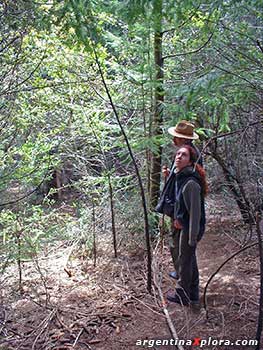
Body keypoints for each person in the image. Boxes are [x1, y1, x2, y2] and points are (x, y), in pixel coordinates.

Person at [166, 145, 207, 306]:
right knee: (188, 260)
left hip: (191, 228)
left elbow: (196, 213)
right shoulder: (181, 176)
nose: (178, 157)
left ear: (190, 161)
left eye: (183, 155)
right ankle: (193, 295)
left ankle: (183, 295)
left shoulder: (191, 182)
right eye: (177, 154)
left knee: (185, 260)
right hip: (185, 225)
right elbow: (179, 202)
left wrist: (192, 237)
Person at [162, 120, 202, 280]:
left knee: (185, 248)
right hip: (176, 207)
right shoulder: (182, 152)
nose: (174, 139)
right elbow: (178, 178)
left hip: (182, 209)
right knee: (176, 243)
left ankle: (188, 284)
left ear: (184, 139)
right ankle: (180, 273)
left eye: (176, 137)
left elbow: (188, 187)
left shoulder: (191, 155)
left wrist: (180, 215)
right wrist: (169, 175)